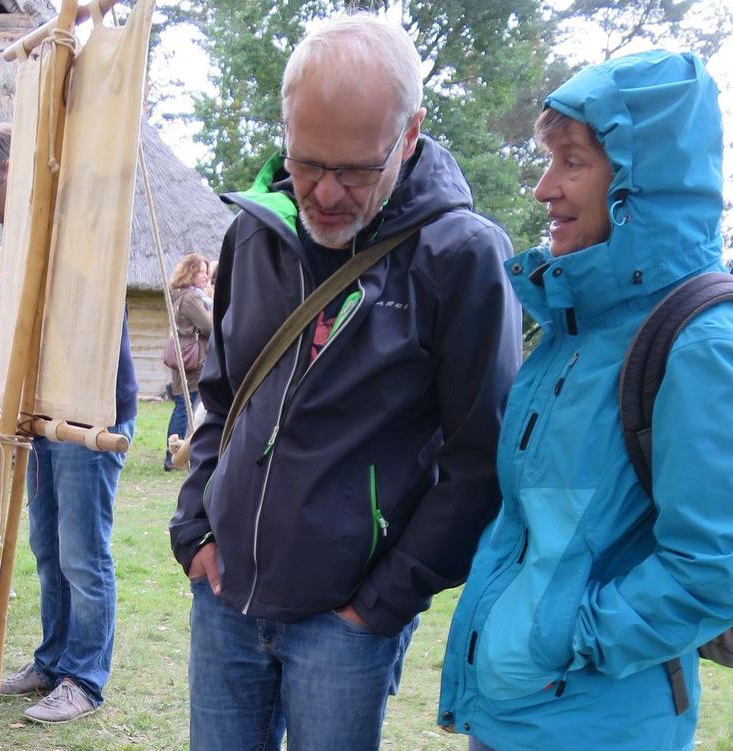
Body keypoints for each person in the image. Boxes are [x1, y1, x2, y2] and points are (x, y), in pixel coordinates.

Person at [167, 13, 520, 750]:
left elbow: (479, 461)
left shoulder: (461, 258)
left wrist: (382, 600)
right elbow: (225, 397)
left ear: (411, 132)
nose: (324, 193)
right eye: (305, 162)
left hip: (346, 620)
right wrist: (195, 524)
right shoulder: (252, 234)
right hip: (225, 591)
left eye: (355, 169)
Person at [439, 50, 733, 751]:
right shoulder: (577, 324)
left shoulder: (700, 345)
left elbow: (711, 566)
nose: (544, 188)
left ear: (641, 181)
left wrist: (564, 636)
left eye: (572, 161)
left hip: (598, 725)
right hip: (515, 712)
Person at [0, 121, 140, 724]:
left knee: (81, 550)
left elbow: (84, 312)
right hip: (53, 401)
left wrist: (2, 310)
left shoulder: (77, 222)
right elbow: (38, 327)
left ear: (9, 172)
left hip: (91, 401)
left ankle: (85, 677)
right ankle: (54, 660)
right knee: (50, 546)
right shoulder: (30, 233)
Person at [163, 253, 213, 471]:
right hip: (191, 359)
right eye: (201, 271)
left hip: (183, 357)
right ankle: (173, 455)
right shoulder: (192, 298)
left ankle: (175, 452)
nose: (205, 276)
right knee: (186, 407)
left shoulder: (181, 295)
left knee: (183, 405)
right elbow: (208, 327)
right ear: (192, 272)